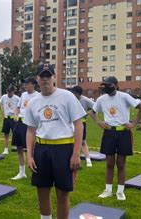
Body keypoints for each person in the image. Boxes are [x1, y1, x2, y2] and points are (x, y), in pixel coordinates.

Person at [25, 64, 85, 219]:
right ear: (37, 79)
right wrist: (30, 156)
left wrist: (76, 153)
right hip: (42, 149)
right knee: (42, 190)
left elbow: (79, 125)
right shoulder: (33, 101)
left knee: (62, 193)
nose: (45, 79)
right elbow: (31, 130)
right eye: (42, 76)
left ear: (54, 77)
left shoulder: (67, 96)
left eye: (48, 75)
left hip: (63, 148)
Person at [89, 76, 141, 201]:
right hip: (109, 133)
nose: (106, 88)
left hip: (123, 133)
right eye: (104, 85)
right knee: (109, 163)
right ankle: (108, 190)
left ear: (115, 85)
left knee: (121, 163)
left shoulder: (124, 96)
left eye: (108, 85)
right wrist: (99, 122)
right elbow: (92, 112)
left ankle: (120, 191)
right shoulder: (101, 99)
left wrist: (133, 123)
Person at [11, 77, 39, 180]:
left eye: (27, 83)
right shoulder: (23, 95)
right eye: (25, 83)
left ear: (33, 84)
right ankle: (22, 172)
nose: (25, 85)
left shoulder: (38, 96)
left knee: (31, 149)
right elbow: (18, 107)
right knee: (19, 147)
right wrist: (15, 114)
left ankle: (34, 171)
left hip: (30, 125)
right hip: (20, 123)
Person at [69, 85, 95, 167]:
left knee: (82, 142)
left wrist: (87, 113)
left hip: (81, 123)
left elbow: (96, 107)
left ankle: (88, 160)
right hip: (70, 123)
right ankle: (72, 158)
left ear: (78, 93)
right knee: (70, 141)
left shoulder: (85, 100)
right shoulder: (70, 99)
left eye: (73, 93)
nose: (71, 94)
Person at [0, 85, 20, 155]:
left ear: (13, 91)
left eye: (10, 92)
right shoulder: (4, 97)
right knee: (6, 134)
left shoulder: (17, 98)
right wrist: (2, 114)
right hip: (6, 118)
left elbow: (21, 106)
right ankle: (6, 149)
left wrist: (17, 115)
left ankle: (17, 147)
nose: (9, 93)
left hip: (14, 118)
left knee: (16, 134)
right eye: (8, 91)